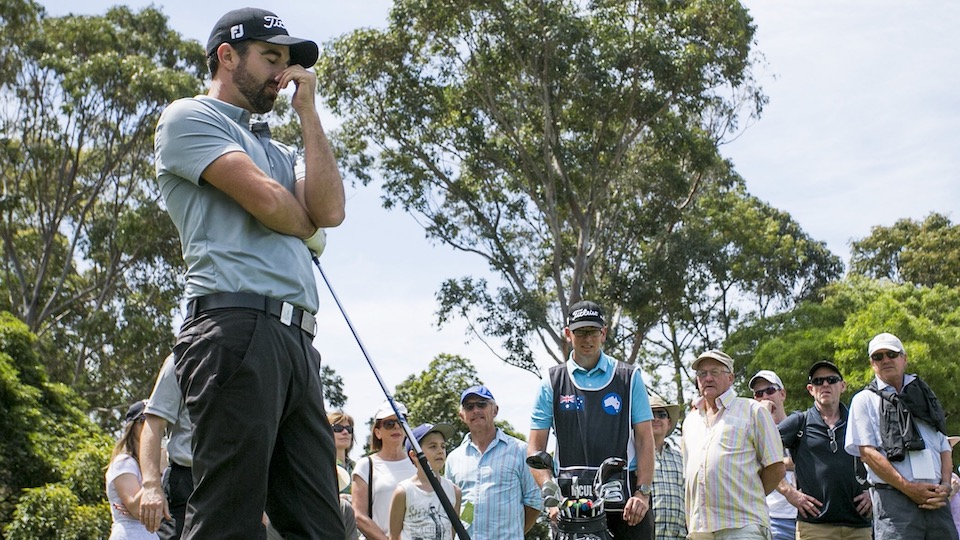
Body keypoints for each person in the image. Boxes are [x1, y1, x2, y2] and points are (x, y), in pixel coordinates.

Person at [154, 6, 345, 538]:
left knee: (320, 525)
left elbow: (329, 211)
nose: (282, 74)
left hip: (296, 342)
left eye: (288, 62)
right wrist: (305, 227)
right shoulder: (189, 116)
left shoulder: (283, 148)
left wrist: (309, 114)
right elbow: (265, 200)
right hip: (232, 327)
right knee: (229, 519)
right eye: (270, 57)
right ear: (227, 55)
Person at [529, 300, 656, 539]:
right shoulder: (552, 382)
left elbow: (645, 440)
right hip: (570, 507)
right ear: (568, 334)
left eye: (593, 331)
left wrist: (643, 493)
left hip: (626, 506)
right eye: (580, 332)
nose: (587, 339)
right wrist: (551, 498)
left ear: (604, 333)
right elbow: (535, 449)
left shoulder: (629, 377)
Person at [844, 332, 957, 540]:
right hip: (894, 500)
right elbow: (868, 454)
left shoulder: (925, 396)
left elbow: (944, 446)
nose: (886, 360)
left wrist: (946, 486)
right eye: (878, 357)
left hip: (937, 501)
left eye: (892, 354)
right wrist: (908, 488)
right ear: (872, 364)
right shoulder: (864, 400)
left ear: (904, 358)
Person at [681, 349, 785, 539]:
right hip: (700, 529)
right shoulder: (690, 422)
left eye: (715, 372)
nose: (708, 378)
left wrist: (748, 495)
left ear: (730, 378)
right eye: (702, 374)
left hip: (742, 525)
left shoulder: (752, 411)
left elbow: (776, 467)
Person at [778, 360, 872, 540]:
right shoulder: (799, 422)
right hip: (814, 527)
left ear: (843, 386)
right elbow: (761, 451)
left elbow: (881, 456)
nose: (825, 385)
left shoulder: (858, 421)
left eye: (831, 380)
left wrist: (873, 491)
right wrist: (789, 492)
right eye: (818, 381)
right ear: (810, 389)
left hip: (859, 527)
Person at [444, 385, 542, 539]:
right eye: (469, 407)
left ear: (495, 410)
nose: (475, 410)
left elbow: (534, 502)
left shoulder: (520, 451)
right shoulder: (454, 458)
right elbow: (452, 508)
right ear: (462, 415)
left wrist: (513, 534)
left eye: (482, 404)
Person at [138, 354, 193, 539]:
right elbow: (154, 424)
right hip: (186, 483)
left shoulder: (258, 355)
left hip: (235, 482)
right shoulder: (184, 355)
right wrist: (151, 486)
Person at [353, 402, 418, 540]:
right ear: (378, 432)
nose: (396, 427)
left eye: (401, 422)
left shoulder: (418, 463)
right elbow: (358, 515)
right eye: (389, 423)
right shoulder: (365, 465)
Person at [389, 423, 462, 540]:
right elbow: (394, 536)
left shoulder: (455, 492)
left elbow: (451, 534)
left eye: (443, 446)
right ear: (414, 455)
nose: (440, 451)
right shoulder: (403, 491)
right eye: (433, 446)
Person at [749, 370, 798, 540]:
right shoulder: (752, 434)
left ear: (782, 394)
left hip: (806, 516)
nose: (765, 397)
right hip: (773, 517)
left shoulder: (799, 426)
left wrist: (774, 463)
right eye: (758, 394)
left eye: (770, 391)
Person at [106, 400, 159, 540]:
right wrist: (157, 468)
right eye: (144, 420)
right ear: (132, 426)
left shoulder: (154, 463)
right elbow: (136, 508)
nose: (150, 426)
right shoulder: (124, 463)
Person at [648, 395, 687, 540]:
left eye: (662, 414)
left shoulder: (682, 458)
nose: (656, 418)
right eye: (651, 414)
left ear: (669, 423)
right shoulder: (633, 457)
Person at [331, 411, 358, 496]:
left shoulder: (356, 467)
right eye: (338, 428)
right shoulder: (322, 466)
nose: (345, 432)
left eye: (349, 429)